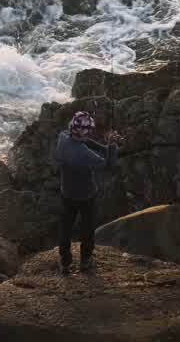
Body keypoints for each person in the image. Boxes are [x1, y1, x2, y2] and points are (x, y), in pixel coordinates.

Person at [54, 111, 120, 275]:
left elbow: (84, 141)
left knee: (66, 228)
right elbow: (109, 166)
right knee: (87, 229)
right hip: (86, 196)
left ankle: (65, 262)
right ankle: (85, 260)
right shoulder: (83, 154)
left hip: (66, 193)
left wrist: (102, 148)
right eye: (89, 130)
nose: (90, 133)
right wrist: (111, 145)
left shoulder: (62, 138)